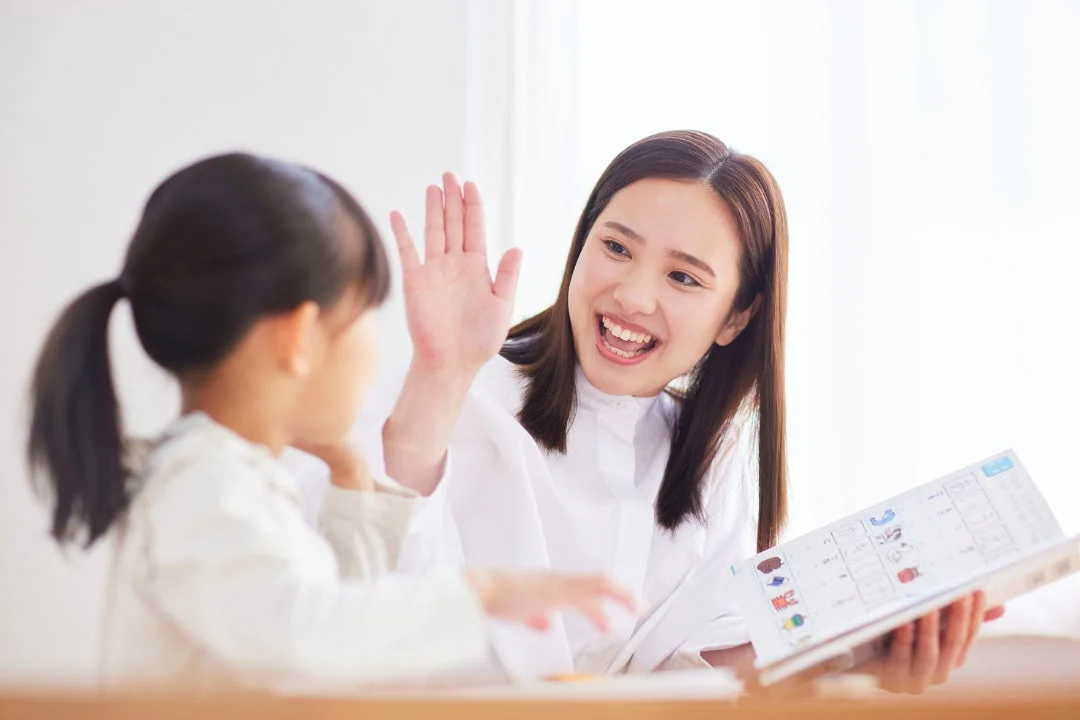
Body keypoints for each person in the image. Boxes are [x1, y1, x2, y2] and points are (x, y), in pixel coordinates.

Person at [322, 130, 998, 692]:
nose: (633, 296)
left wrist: (869, 650)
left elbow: (703, 659)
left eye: (683, 277)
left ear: (736, 316)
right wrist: (439, 376)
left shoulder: (711, 459)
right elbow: (346, 587)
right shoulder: (467, 390)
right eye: (615, 248)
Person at [25, 153, 635, 692]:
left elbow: (339, 621)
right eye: (364, 318)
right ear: (298, 339)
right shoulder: (200, 488)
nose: (374, 345)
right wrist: (481, 595)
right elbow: (305, 639)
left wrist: (350, 477)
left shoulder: (234, 479)